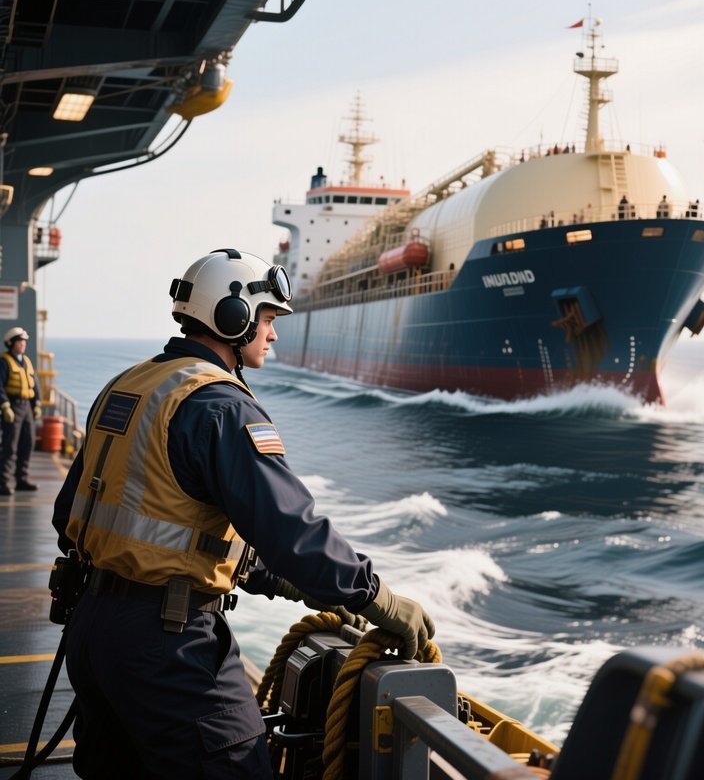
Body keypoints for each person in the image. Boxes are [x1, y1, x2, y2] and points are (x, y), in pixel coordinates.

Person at [51, 249, 435, 779]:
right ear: (233, 317)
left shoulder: (129, 385)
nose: (273, 333)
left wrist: (280, 581)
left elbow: (73, 513)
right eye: (269, 318)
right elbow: (291, 528)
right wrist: (377, 598)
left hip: (93, 630)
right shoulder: (220, 406)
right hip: (169, 645)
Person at [0, 326, 41, 495]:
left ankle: (21, 479)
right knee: (10, 445)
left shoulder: (26, 361)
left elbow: (35, 384)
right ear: (11, 343)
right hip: (13, 406)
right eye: (19, 341)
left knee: (28, 442)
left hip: (26, 408)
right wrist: (5, 406)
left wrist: (37, 403)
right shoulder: (4, 362)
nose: (23, 344)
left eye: (24, 341)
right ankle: (2, 482)